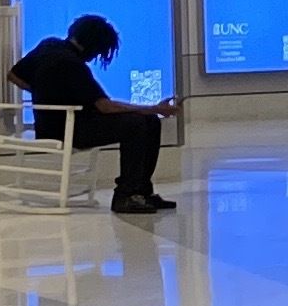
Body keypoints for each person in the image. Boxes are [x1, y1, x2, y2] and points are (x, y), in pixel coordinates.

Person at [12, 13, 175, 213]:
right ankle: (128, 194)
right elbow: (105, 106)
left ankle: (140, 191)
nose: (96, 57)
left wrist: (44, 93)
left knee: (148, 120)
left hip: (51, 125)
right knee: (139, 124)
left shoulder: (49, 45)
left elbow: (13, 75)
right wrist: (155, 109)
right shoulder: (72, 65)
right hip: (70, 129)